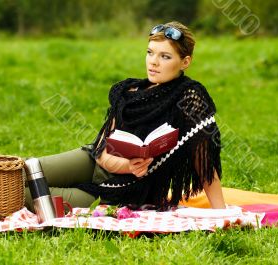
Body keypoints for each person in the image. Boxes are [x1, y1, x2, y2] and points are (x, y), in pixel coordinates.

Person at [24, 21, 226, 211]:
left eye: (165, 57)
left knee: (20, 194)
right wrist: (126, 164)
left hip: (122, 189)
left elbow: (204, 161)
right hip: (95, 162)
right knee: (24, 171)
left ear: (185, 62)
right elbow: (102, 151)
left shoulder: (190, 97)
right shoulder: (129, 91)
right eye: (150, 53)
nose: (153, 62)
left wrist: (222, 212)